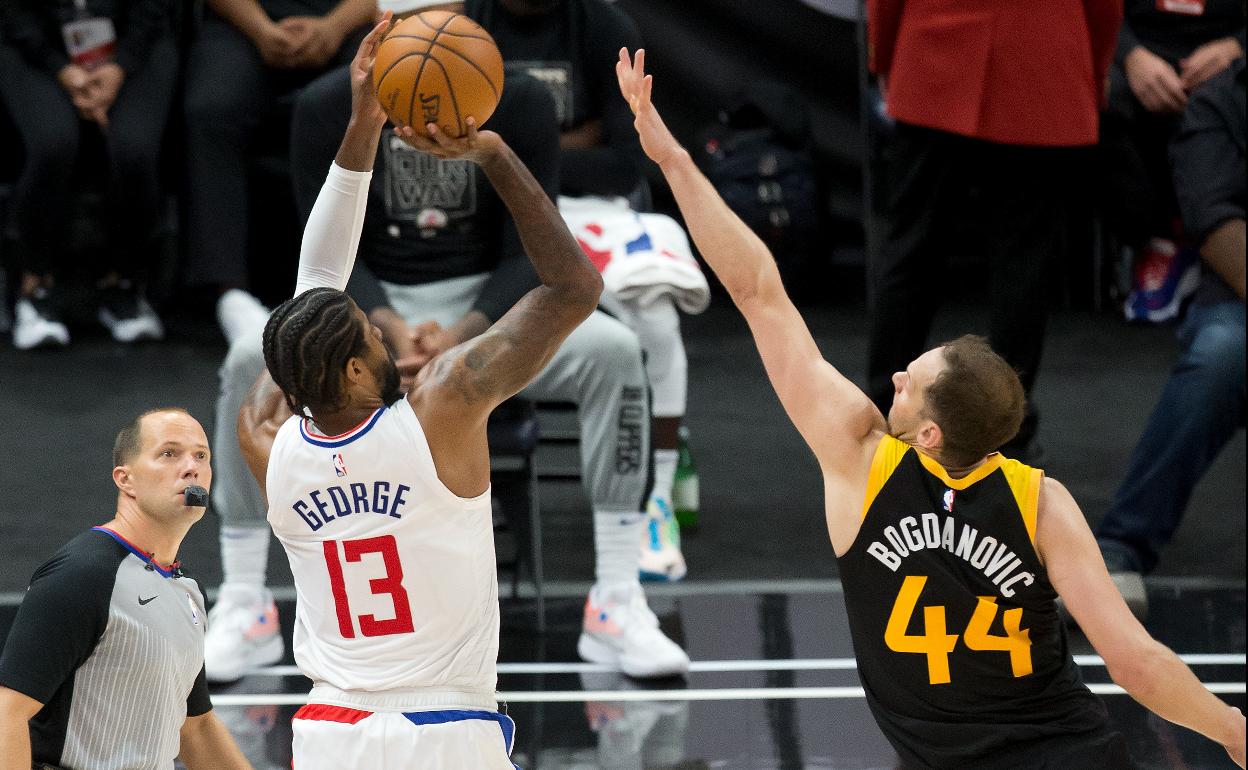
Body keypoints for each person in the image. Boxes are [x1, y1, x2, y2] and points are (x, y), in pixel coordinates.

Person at [616, 48, 1247, 768]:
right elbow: (1134, 662)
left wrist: (670, 157)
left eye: (907, 383)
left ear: (929, 432)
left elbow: (758, 290)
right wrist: (1230, 728)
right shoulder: (1042, 503)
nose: (892, 376)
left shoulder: (856, 458)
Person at [205, 0, 689, 683]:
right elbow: (571, 287)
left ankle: (618, 596)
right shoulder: (453, 396)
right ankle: (245, 600)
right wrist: (491, 155)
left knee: (613, 354)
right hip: (448, 707)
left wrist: (454, 327)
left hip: (337, 714)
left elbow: (318, 275)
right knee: (610, 337)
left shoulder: (272, 447)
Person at [471, 0, 698, 578]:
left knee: (656, 322)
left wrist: (517, 148)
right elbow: (462, 160)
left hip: (593, 209)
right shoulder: (466, 26)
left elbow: (624, 165)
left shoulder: (605, 27)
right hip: (495, 212)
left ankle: (659, 497)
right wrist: (566, 141)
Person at [865, 0, 1121, 460]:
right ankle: (1005, 437)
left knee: (912, 250)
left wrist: (884, 54)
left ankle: (880, 423)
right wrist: (1095, 63)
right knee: (1023, 264)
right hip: (1042, 57)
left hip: (936, 52)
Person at [0, 408, 252, 770]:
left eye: (201, 456)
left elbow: (196, 728)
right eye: (169, 454)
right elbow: (8, 712)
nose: (191, 467)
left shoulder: (186, 589)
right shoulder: (83, 574)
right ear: (125, 479)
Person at [1096, 57, 1246, 614]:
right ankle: (1119, 549)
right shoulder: (1220, 103)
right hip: (1240, 296)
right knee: (1222, 354)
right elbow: (1216, 223)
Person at [182, 0, 373, 324]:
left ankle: (365, 287)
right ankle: (230, 295)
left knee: (365, 98)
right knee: (210, 109)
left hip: (348, 23)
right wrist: (260, 29)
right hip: (244, 23)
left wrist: (334, 26)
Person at [0, 0, 177, 348]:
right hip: (37, 45)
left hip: (133, 44)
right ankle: (35, 285)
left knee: (133, 151)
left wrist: (119, 67)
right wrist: (62, 69)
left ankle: (123, 283)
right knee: (53, 144)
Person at [1099, 0, 1243, 322]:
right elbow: (1094, 10)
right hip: (1140, 53)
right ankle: (1156, 241)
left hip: (1225, 55)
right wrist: (1132, 55)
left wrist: (1236, 46)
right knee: (1100, 96)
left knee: (1227, 102)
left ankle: (1217, 245)